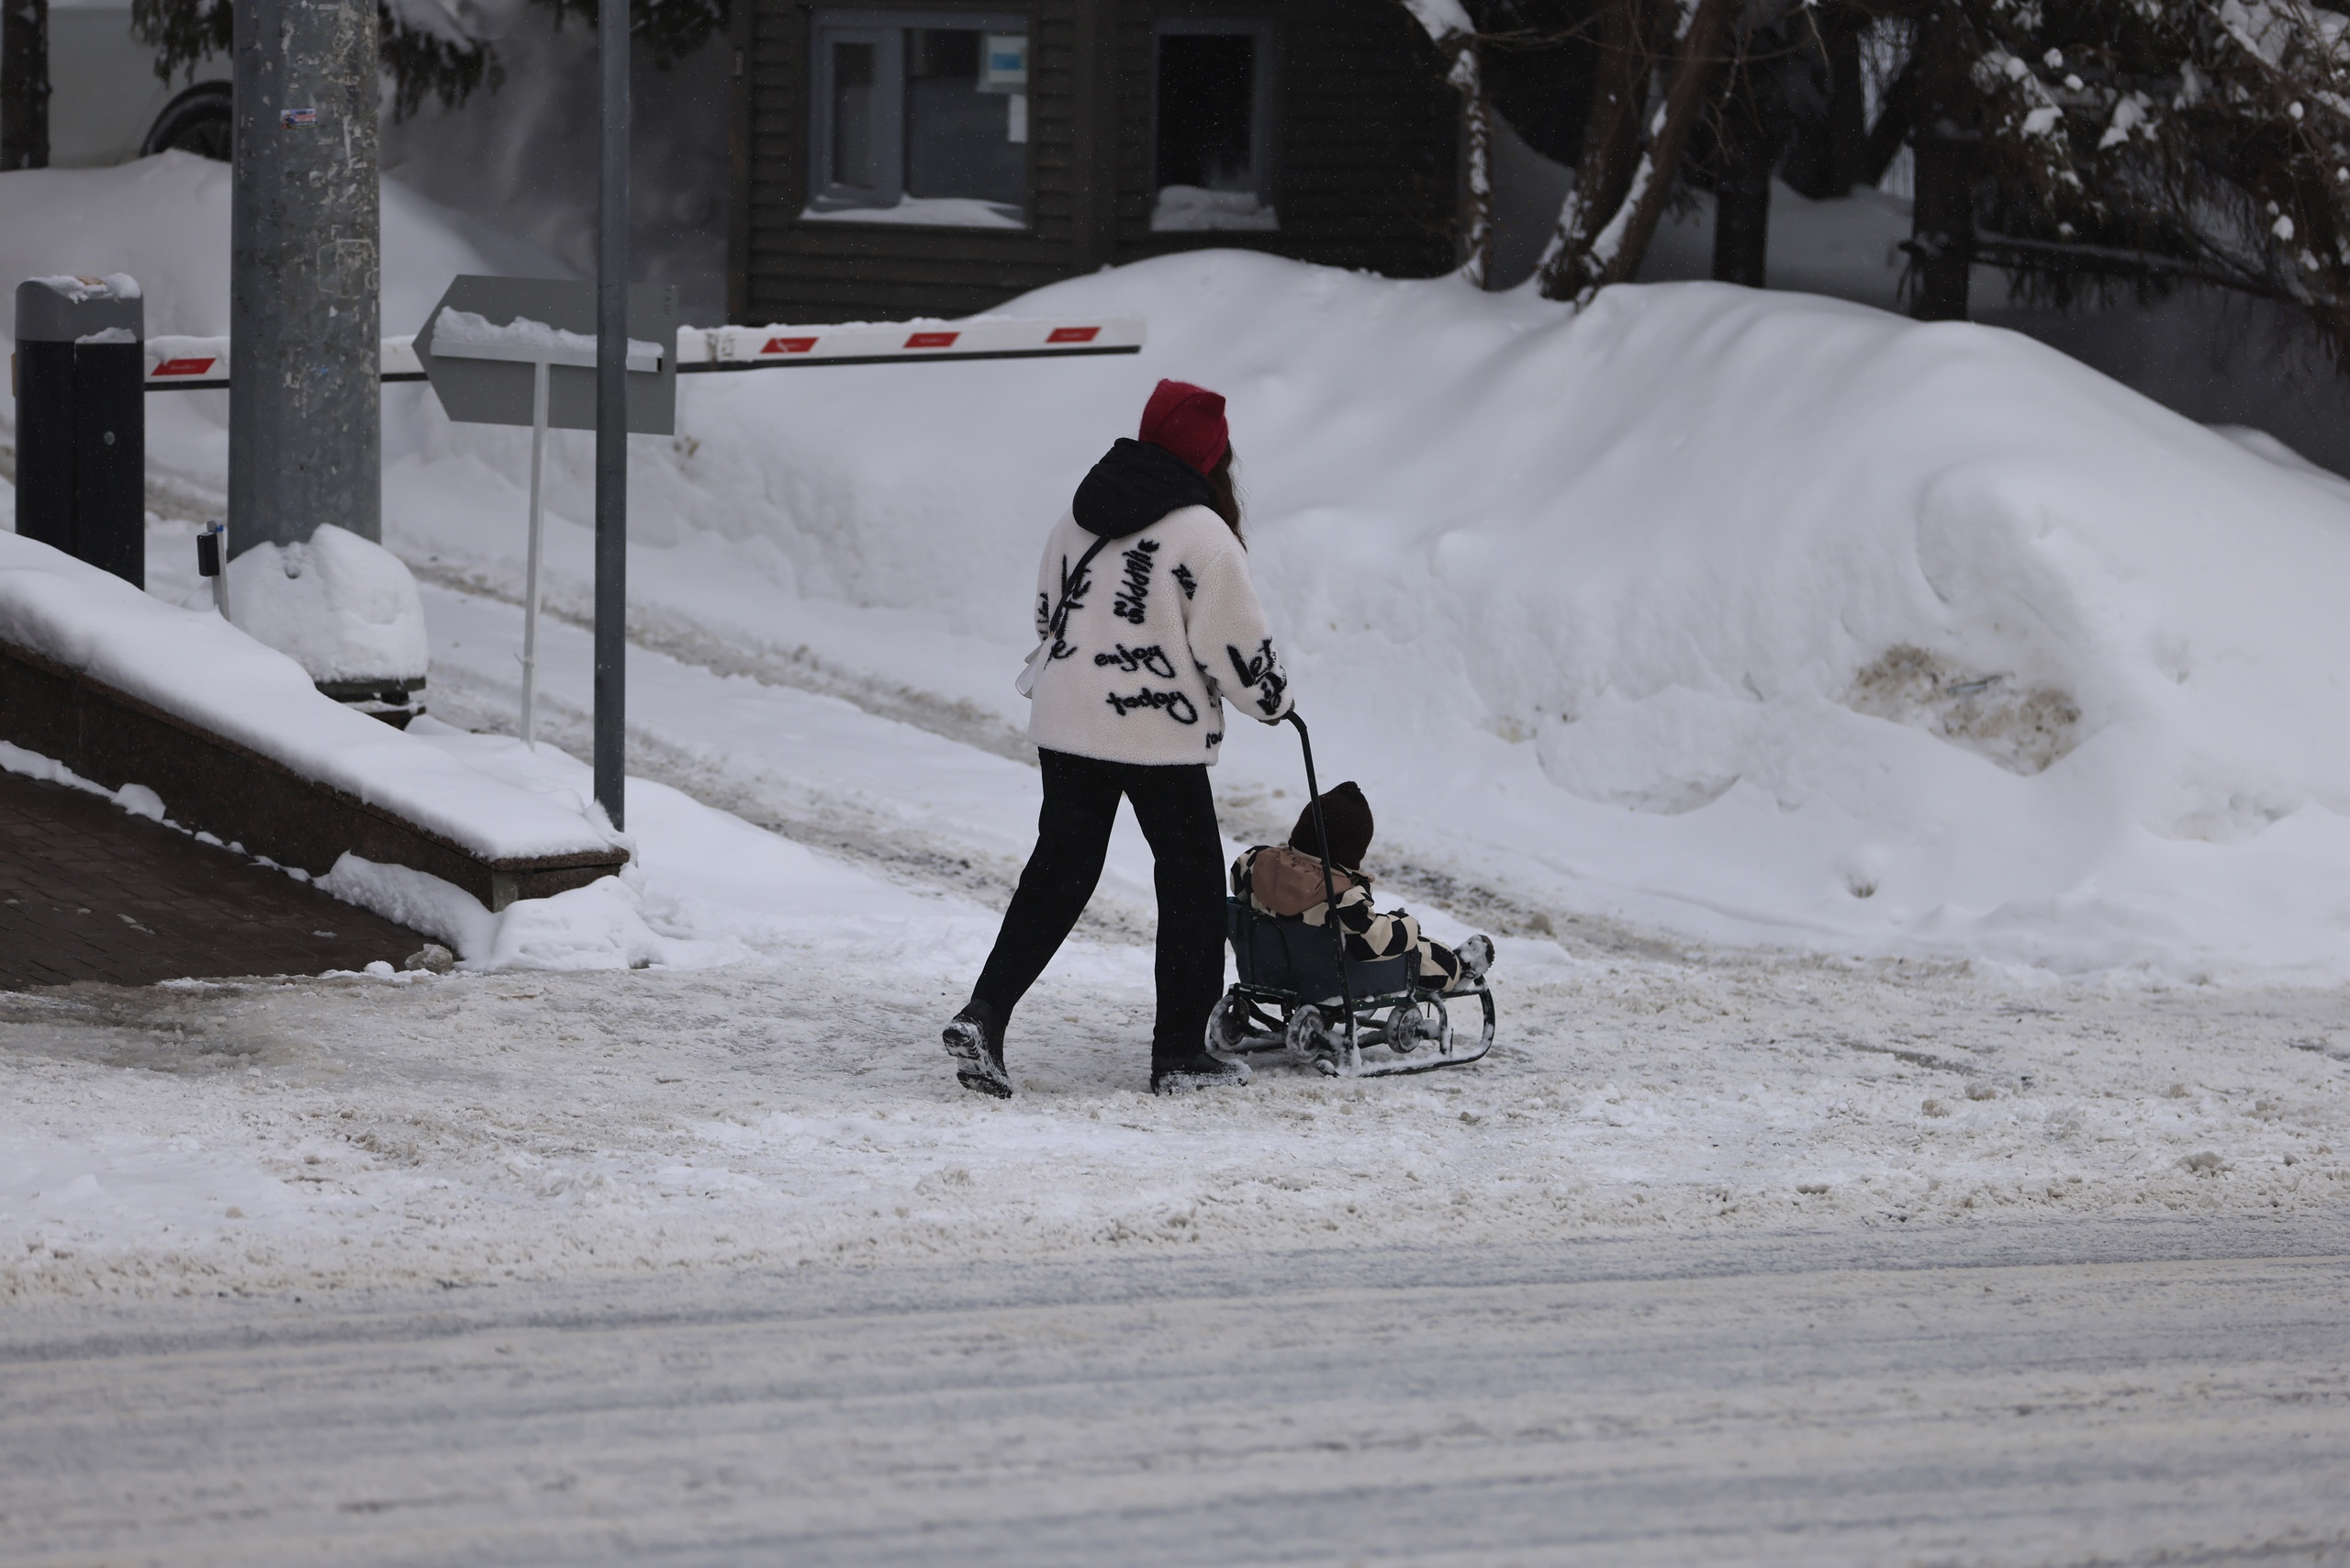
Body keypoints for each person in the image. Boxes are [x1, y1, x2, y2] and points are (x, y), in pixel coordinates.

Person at [944, 379, 1295, 1097]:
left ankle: (986, 1013)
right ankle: (1180, 1055)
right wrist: (1276, 702)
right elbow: (1236, 647)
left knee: (1059, 873)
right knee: (1192, 882)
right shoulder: (1202, 534)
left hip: (1067, 719)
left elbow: (1046, 618)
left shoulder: (1077, 516)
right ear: (1212, 456)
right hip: (1156, 732)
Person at [1232, 781, 1495, 993]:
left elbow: (1238, 891)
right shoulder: (1343, 897)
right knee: (1417, 954)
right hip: (1327, 980)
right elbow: (1371, 943)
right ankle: (1458, 968)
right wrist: (1407, 925)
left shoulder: (1255, 863)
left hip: (1273, 970)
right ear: (1353, 849)